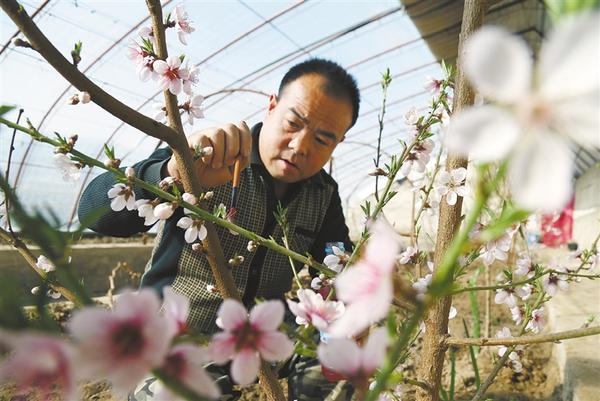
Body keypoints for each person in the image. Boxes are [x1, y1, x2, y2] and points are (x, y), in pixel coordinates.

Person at [78, 58, 359, 400]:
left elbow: (336, 261)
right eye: (293, 123)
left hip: (262, 331)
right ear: (272, 106)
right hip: (180, 333)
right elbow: (93, 213)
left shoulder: (323, 194)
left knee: (337, 348)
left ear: (338, 143)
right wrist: (175, 173)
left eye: (323, 139)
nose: (300, 146)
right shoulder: (210, 156)